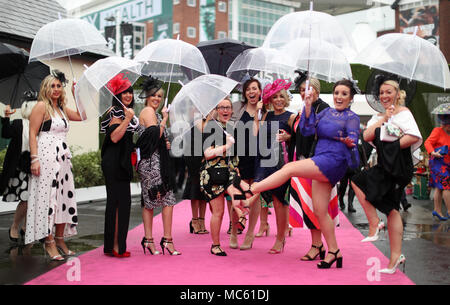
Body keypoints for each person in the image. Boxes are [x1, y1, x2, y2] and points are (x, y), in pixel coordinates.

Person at [247, 79, 361, 269]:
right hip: (320, 158)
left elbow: (354, 139)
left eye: (344, 94)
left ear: (350, 98)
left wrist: (348, 140)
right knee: (319, 211)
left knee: (289, 169)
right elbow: (307, 130)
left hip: (334, 160)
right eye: (337, 93)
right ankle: (334, 250)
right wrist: (307, 106)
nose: (339, 97)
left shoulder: (352, 117)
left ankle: (253, 189)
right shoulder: (325, 112)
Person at [351, 78, 422, 274]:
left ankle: (375, 226)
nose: (384, 96)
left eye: (388, 92)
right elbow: (366, 137)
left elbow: (414, 136)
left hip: (398, 166)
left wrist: (393, 146)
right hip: (384, 164)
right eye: (381, 92)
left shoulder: (404, 113)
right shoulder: (377, 117)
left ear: (398, 94)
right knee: (391, 208)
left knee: (359, 181)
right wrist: (384, 119)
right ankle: (394, 257)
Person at [26, 70, 83, 260]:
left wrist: (77, 94)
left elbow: (82, 115)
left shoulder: (63, 108)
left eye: (59, 85)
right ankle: (48, 242)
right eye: (53, 85)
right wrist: (34, 159)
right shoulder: (41, 107)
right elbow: (32, 134)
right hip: (46, 157)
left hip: (63, 159)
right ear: (46, 88)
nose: (56, 89)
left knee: (63, 199)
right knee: (48, 199)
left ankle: (60, 239)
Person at [288, 72, 330, 261]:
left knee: (316, 207)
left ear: (317, 90)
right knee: (309, 207)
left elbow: (319, 133)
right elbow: (299, 136)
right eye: (302, 89)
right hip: (302, 161)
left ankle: (318, 245)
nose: (306, 92)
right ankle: (317, 244)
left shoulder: (324, 109)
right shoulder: (303, 108)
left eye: (309, 89)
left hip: (317, 163)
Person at [135, 76, 180, 256]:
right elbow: (154, 135)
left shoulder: (155, 113)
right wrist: (165, 119)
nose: (157, 99)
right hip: (151, 163)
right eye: (154, 95)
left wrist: (165, 142)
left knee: (159, 200)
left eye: (160, 96)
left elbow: (157, 138)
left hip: (156, 161)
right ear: (147, 96)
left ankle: (156, 240)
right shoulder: (148, 111)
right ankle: (157, 239)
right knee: (156, 200)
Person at [200, 98, 249, 256]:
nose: (225, 110)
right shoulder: (211, 127)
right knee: (218, 212)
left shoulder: (233, 128)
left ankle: (241, 215)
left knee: (245, 195)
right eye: (222, 107)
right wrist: (226, 146)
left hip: (230, 173)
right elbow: (207, 154)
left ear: (232, 110)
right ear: (217, 110)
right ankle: (215, 245)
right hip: (213, 174)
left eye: (228, 107)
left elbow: (235, 156)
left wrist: (237, 172)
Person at [253, 79, 296, 254]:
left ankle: (280, 239)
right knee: (263, 195)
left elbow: (299, 138)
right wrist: (257, 113)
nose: (278, 100)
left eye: (281, 96)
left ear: (286, 98)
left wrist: (289, 137)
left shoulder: (292, 116)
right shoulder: (266, 115)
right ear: (271, 100)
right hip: (265, 161)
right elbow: (258, 135)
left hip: (281, 164)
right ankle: (267, 226)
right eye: (275, 97)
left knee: (279, 202)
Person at [101, 73, 138, 258]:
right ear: (117, 95)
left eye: (130, 92)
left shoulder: (126, 112)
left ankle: (114, 245)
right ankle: (116, 246)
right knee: (118, 204)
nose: (128, 96)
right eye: (124, 92)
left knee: (121, 203)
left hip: (122, 162)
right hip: (114, 162)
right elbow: (115, 137)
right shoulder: (115, 112)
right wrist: (127, 119)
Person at [230, 78, 262, 250]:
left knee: (254, 194)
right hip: (239, 158)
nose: (251, 92)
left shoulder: (264, 111)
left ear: (260, 91)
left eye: (254, 88)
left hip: (257, 159)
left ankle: (250, 234)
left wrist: (257, 114)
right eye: (248, 89)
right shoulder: (237, 108)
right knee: (237, 195)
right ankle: (234, 231)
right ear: (244, 93)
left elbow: (258, 135)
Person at [1, 101, 36, 242]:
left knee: (33, 199)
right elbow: (5, 133)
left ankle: (26, 228)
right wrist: (6, 117)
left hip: (35, 166)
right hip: (20, 167)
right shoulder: (18, 123)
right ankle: (15, 226)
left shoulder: (41, 125)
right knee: (26, 199)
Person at [182, 116, 211, 235]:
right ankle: (194, 220)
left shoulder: (211, 122)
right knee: (195, 190)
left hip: (207, 159)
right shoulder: (192, 123)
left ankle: (202, 220)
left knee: (204, 191)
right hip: (194, 159)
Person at [424, 112, 450, 221]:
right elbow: (427, 143)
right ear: (446, 123)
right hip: (438, 163)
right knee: (446, 187)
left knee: (439, 189)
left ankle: (437, 210)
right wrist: (433, 152)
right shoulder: (437, 131)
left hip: (447, 164)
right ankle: (449, 210)